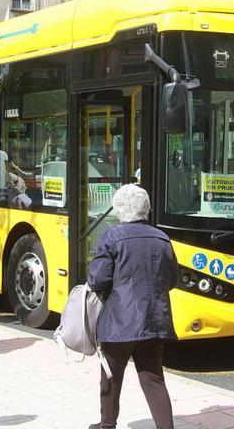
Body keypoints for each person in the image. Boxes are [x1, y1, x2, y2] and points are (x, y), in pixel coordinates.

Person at [88, 184, 178, 429]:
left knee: (111, 376)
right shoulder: (162, 238)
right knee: (153, 379)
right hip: (154, 321)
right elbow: (172, 279)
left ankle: (107, 425)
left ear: (119, 210)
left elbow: (97, 280)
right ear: (146, 210)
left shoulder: (112, 236)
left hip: (119, 322)